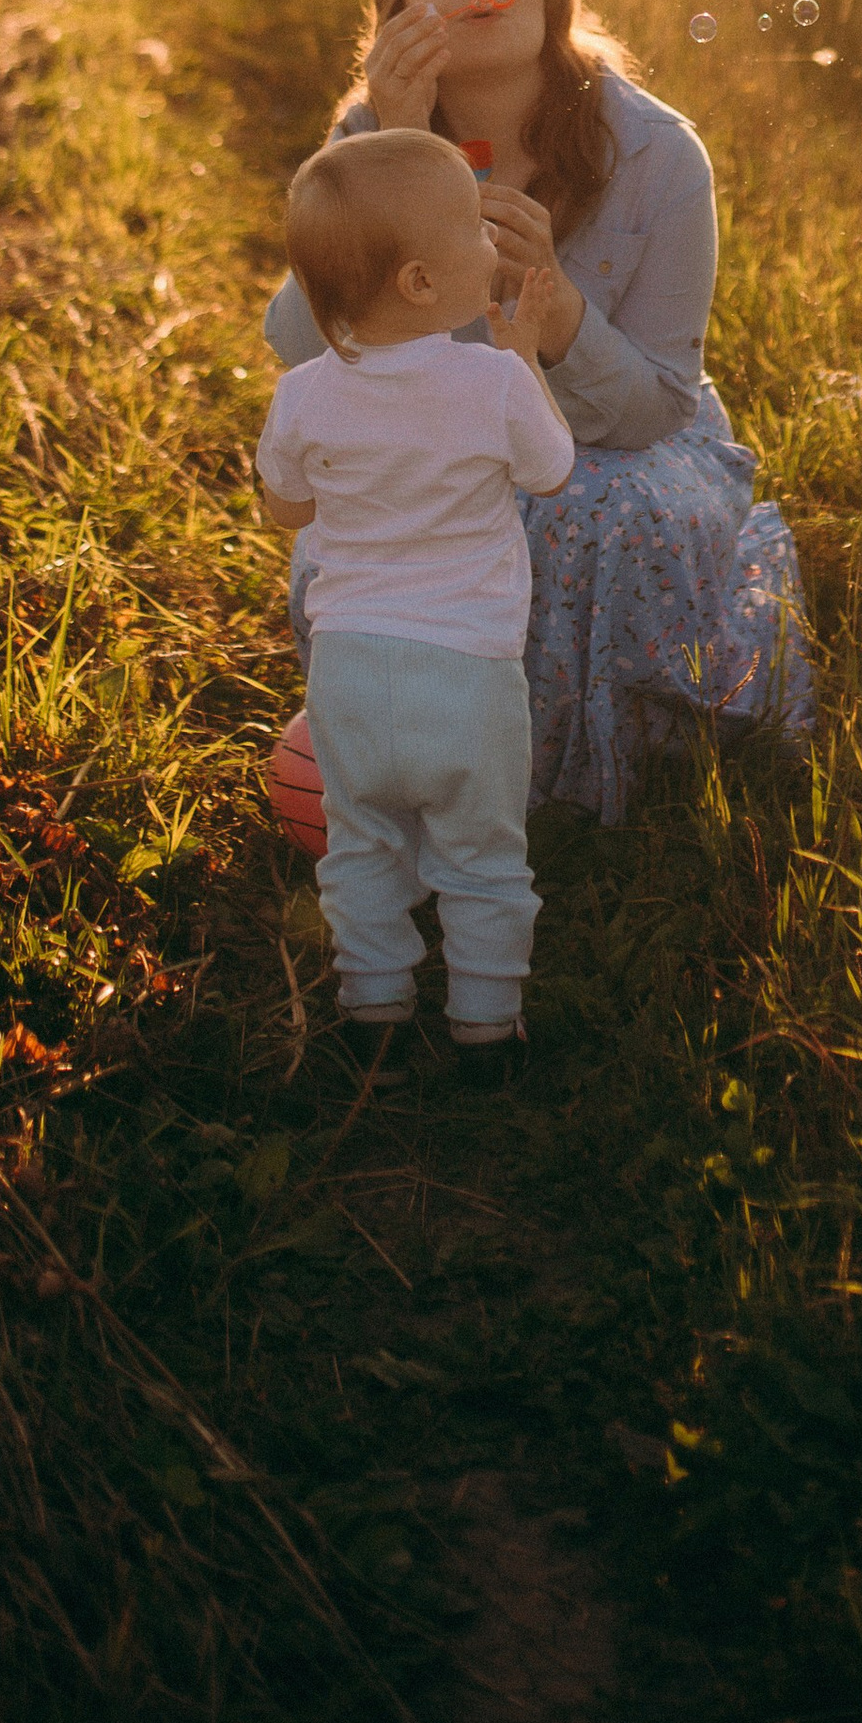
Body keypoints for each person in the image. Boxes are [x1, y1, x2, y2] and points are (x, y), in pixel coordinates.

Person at [261, 0, 811, 825]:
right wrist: (399, 152)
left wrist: (554, 316)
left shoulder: (658, 154)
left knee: (574, 513)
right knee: (402, 514)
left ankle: (556, 784)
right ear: (397, 18)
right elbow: (311, 347)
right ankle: (423, 756)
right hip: (436, 428)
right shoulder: (371, 131)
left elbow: (651, 410)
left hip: (629, 443)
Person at [256, 131, 575, 1069]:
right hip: (466, 672)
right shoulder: (490, 380)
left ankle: (375, 1008)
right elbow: (551, 472)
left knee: (359, 847)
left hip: (351, 668)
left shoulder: (301, 395)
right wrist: (522, 359)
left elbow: (288, 508)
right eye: (476, 232)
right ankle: (482, 1020)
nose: (493, 249)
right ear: (421, 285)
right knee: (481, 855)